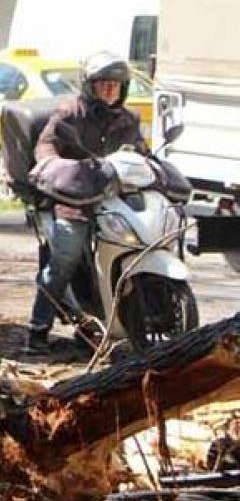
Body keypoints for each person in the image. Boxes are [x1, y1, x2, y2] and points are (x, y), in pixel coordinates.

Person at [24, 52, 146, 354]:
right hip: (72, 199)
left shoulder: (128, 119)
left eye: (115, 86)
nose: (109, 91)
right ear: (90, 86)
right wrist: (54, 165)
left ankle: (106, 323)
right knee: (65, 257)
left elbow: (141, 153)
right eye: (103, 85)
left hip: (113, 200)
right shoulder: (70, 113)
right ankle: (37, 331)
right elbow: (46, 144)